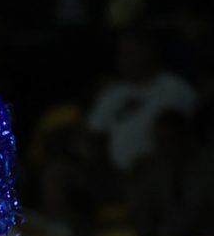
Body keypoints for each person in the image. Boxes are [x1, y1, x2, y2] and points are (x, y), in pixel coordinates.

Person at [85, 27, 199, 172]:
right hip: (116, 175)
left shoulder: (176, 90)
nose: (122, 59)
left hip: (164, 172)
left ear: (149, 52)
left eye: (129, 53)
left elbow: (182, 140)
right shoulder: (112, 94)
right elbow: (94, 134)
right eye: (120, 53)